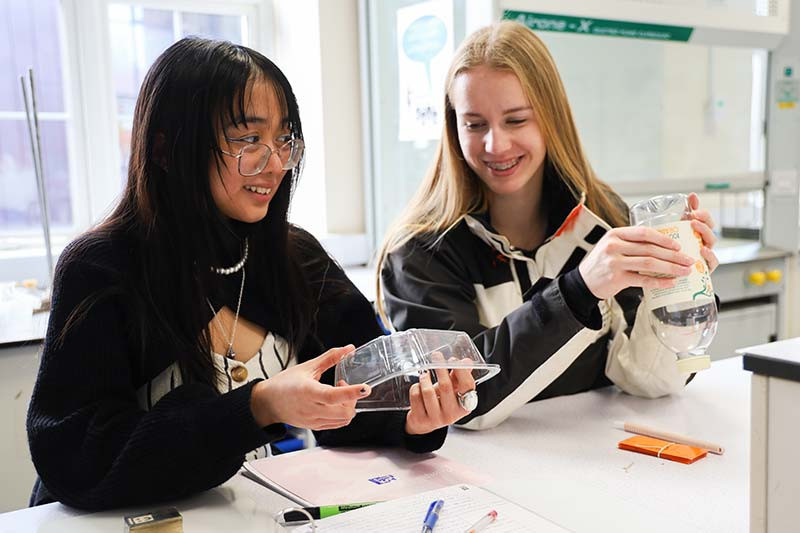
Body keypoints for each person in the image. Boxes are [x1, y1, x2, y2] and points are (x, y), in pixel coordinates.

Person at [26, 37, 474, 511]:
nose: (276, 163)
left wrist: (412, 418)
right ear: (165, 148)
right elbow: (79, 459)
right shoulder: (101, 268)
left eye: (284, 139)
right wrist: (258, 405)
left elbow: (357, 399)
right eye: (247, 139)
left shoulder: (295, 257)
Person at [377, 21, 719, 431]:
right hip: (479, 481)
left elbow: (649, 381)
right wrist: (579, 290)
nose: (495, 145)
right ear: (453, 128)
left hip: (598, 469)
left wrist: (676, 291)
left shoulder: (604, 217)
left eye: (516, 120)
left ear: (551, 117)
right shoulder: (418, 252)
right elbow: (467, 399)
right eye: (474, 124)